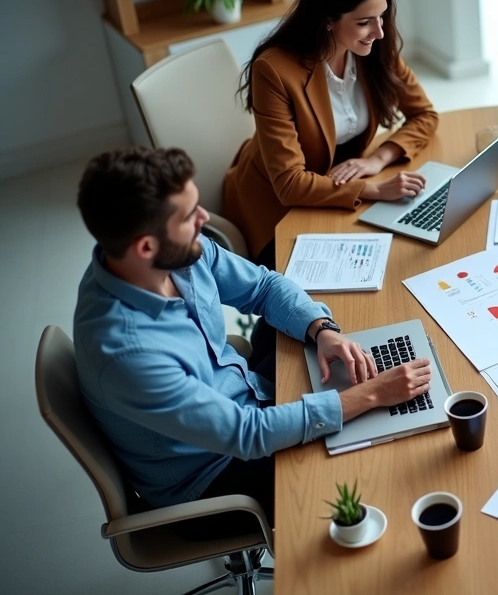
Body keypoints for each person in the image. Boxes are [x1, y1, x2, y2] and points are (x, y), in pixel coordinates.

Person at [74, 147, 433, 526]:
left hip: (248, 392)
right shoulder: (128, 353)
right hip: (215, 477)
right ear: (145, 246)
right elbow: (246, 435)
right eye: (188, 215)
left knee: (340, 359)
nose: (204, 219)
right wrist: (371, 395)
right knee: (372, 467)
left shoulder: (169, 254)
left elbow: (262, 287)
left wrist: (321, 329)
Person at [224, 0, 439, 270]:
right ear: (327, 19)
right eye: (364, 22)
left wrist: (376, 160)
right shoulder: (273, 70)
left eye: (382, 16)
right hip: (276, 209)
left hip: (338, 182)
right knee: (312, 298)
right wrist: (374, 189)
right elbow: (289, 184)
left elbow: (425, 115)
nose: (379, 32)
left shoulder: (374, 46)